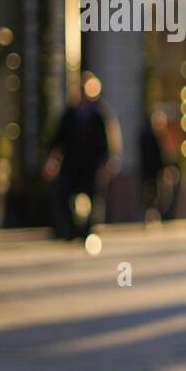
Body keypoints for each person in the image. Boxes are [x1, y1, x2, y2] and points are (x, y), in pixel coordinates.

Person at [45, 72, 117, 245]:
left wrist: (107, 162)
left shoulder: (99, 116)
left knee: (94, 198)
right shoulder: (69, 115)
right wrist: (51, 160)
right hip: (71, 165)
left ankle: (87, 231)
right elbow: (57, 139)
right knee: (63, 195)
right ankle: (71, 230)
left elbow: (106, 143)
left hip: (91, 166)